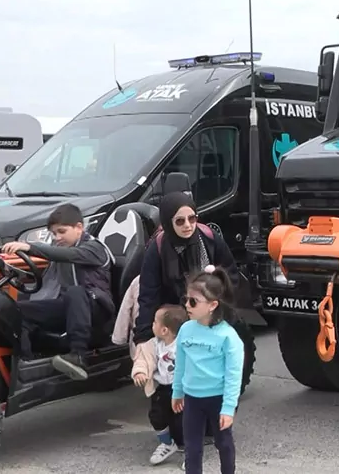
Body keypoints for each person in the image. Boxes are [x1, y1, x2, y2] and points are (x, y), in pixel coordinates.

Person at [0, 203, 114, 380]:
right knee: (15, 309)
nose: (57, 237)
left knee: (75, 292)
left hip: (97, 309)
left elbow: (69, 256)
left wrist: (29, 247)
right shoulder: (61, 249)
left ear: (79, 228)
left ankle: (78, 355)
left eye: (62, 231)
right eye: (53, 233)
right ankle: (26, 359)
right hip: (70, 307)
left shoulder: (94, 249)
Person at [133, 192, 238, 347]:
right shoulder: (157, 249)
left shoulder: (209, 238)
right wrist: (144, 337)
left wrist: (216, 306)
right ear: (168, 223)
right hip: (175, 318)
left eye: (192, 218)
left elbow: (231, 275)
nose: (188, 225)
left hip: (211, 311)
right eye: (180, 221)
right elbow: (149, 295)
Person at [173, 266, 244, 474]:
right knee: (192, 448)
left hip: (218, 399)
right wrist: (177, 392)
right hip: (192, 399)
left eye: (193, 301)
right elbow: (181, 365)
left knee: (223, 443)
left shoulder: (228, 337)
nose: (187, 305)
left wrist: (228, 408)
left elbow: (233, 375)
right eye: (185, 299)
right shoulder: (186, 330)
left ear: (213, 305)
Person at [133, 304, 188, 465]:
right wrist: (140, 372)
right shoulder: (154, 344)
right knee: (156, 416)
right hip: (163, 389)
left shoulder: (184, 344)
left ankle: (191, 452)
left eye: (155, 322)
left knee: (184, 422)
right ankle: (167, 443)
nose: (152, 325)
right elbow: (143, 359)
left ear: (165, 330)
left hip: (184, 389)